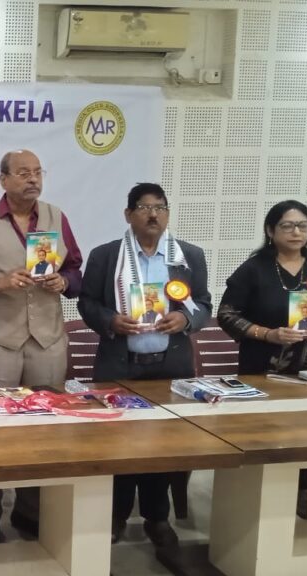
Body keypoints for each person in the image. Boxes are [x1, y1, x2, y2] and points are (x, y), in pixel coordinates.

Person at [0, 149, 82, 543]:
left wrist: (64, 281)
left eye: (37, 172)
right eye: (23, 173)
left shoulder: (56, 217)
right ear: (4, 179)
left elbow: (75, 270)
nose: (32, 179)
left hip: (47, 340)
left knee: (45, 432)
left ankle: (30, 513)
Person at [78, 183, 212, 553]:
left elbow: (203, 303)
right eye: (143, 207)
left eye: (160, 207)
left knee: (163, 449)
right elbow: (87, 303)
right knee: (116, 448)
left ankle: (157, 518)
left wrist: (185, 319)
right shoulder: (106, 256)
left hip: (169, 369)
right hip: (120, 366)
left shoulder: (188, 257)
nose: (153, 214)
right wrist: (110, 320)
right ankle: (115, 515)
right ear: (128, 214)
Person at [218, 200, 307, 375]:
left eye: (302, 226)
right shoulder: (254, 269)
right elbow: (227, 315)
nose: (296, 232)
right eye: (287, 226)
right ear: (270, 230)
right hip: (262, 371)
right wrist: (267, 334)